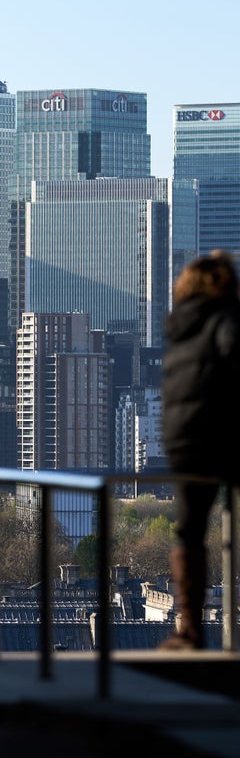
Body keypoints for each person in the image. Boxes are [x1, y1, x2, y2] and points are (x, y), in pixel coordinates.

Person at [160, 250, 240, 650]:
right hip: (219, 436)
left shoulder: (180, 328)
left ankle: (189, 628)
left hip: (181, 441)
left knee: (189, 531)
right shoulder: (225, 319)